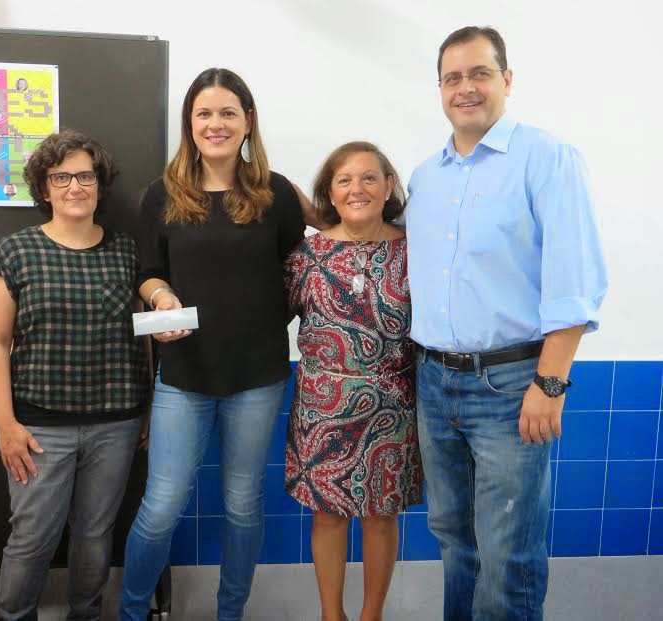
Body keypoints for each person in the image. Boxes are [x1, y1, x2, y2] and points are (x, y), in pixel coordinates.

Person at [405, 26, 607, 620]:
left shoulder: (547, 159)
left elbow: (575, 283)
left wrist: (550, 384)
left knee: (507, 551)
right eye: (452, 78)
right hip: (433, 382)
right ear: (440, 89)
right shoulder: (426, 177)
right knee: (454, 538)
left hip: (512, 385)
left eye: (479, 74)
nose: (465, 88)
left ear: (507, 79)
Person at [119, 67, 318, 621]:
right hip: (184, 374)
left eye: (228, 112)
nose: (216, 123)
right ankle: (132, 612)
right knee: (161, 506)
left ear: (247, 120)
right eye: (204, 113)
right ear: (189, 123)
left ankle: (231, 612)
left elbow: (297, 267)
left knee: (242, 503)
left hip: (258, 376)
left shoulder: (276, 193)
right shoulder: (162, 194)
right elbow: (148, 271)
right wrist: (161, 297)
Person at [0, 129, 150, 621]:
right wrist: (6, 425)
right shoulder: (15, 252)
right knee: (32, 536)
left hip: (116, 423)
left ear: (100, 184)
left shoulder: (127, 251)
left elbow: (142, 337)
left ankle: (86, 615)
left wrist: (147, 408)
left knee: (96, 535)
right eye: (61, 177)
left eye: (85, 176)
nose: (75, 186)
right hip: (38, 427)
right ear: (44, 187)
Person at [284, 142, 423, 621]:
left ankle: (371, 616)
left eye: (368, 178)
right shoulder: (307, 255)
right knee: (328, 514)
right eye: (344, 180)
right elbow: (269, 316)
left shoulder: (414, 250)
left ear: (388, 187)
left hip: (392, 406)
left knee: (381, 517)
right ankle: (332, 615)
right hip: (322, 406)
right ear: (329, 192)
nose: (356, 189)